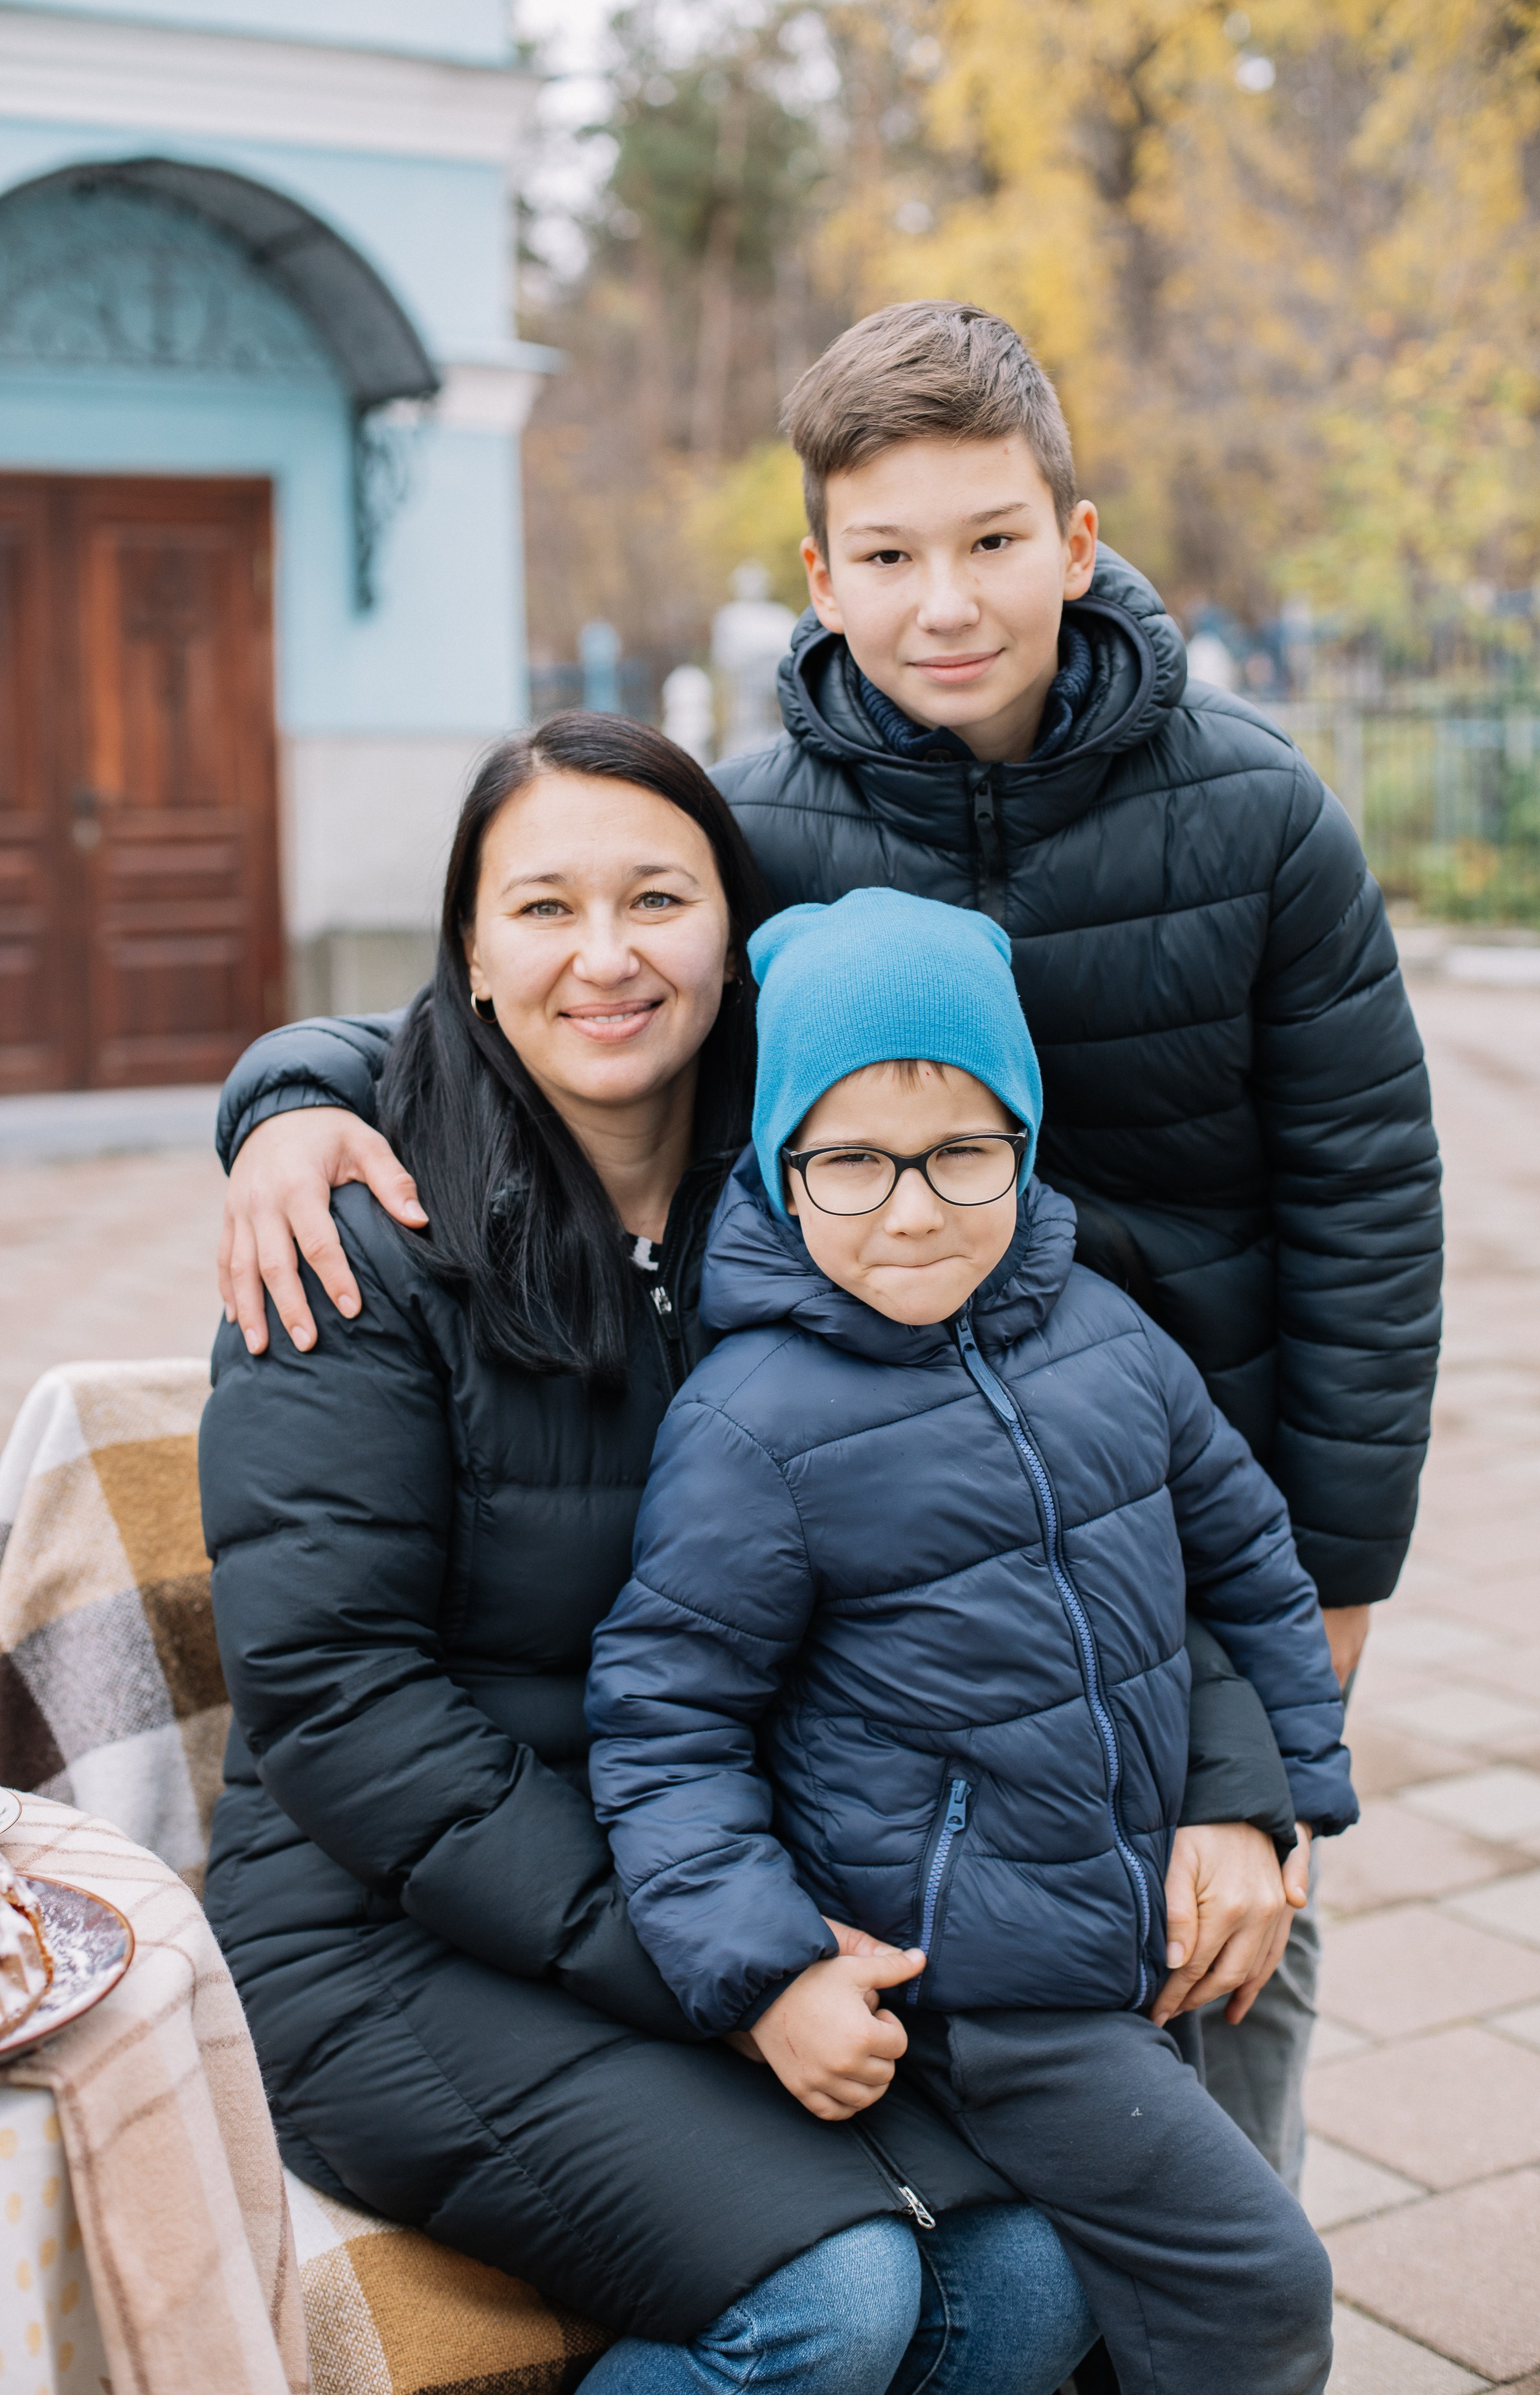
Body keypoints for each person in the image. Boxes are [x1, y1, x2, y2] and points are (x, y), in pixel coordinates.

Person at [213, 302, 1442, 2185]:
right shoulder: (766, 824)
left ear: (1076, 539)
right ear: (819, 573)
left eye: (990, 541)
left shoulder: (1259, 814)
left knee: (1224, 1974)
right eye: (886, 556)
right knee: (980, 1989)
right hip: (905, 1517)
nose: (943, 600)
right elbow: (532, 990)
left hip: (1189, 1494)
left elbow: (1366, 1199)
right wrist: (291, 1092)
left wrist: (1331, 1579)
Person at [201, 714, 1302, 2395]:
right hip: (395, 1929)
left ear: (736, 938)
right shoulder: (360, 1244)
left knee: (1027, 2272)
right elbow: (333, 1697)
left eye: (656, 897)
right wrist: (732, 1967)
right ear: (472, 954)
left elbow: (1084, 1493)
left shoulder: (820, 1193)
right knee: (833, 2299)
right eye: (542, 908)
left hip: (722, 1876)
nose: (605, 955)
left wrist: (1230, 1774)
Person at [586, 887, 1355, 2395]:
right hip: (985, 1989)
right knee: (1257, 2281)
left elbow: (1247, 1558)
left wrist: (1271, 1801)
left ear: (1025, 1141)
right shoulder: (756, 1421)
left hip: (1131, 1923)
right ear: (778, 1165)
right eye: (852, 1161)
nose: (916, 1206)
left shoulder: (1110, 1334)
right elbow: (665, 1717)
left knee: (1123, 2311)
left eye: (961, 1151)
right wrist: (764, 1971)